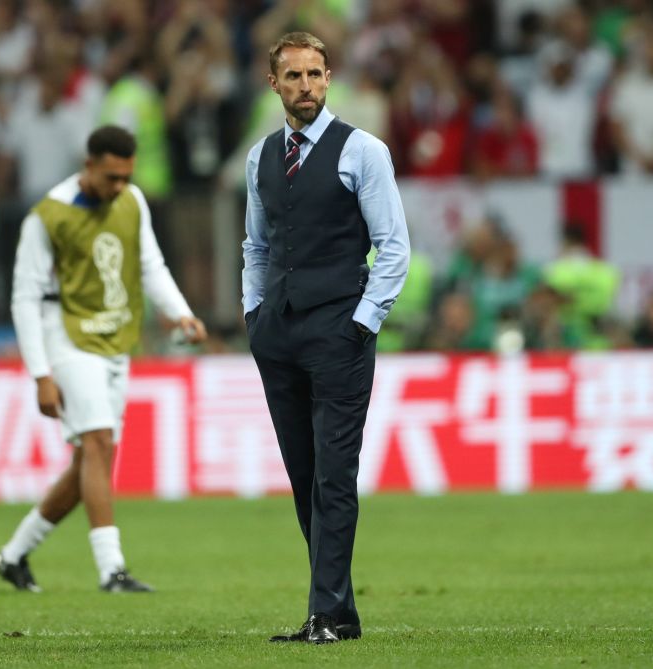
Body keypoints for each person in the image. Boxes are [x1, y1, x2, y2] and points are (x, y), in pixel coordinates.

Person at [241, 32, 409, 644]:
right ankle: (336, 611)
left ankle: (327, 611)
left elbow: (394, 247)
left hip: (339, 330)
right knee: (304, 475)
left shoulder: (363, 151)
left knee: (333, 476)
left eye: (315, 75)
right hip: (279, 332)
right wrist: (253, 315)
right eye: (293, 77)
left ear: (329, 77)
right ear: (274, 84)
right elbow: (255, 246)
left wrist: (363, 322)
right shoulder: (260, 158)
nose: (305, 86)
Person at [0, 125, 207, 592]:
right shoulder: (47, 217)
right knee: (97, 443)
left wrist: (181, 313)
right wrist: (40, 374)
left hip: (114, 338)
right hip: (66, 336)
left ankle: (13, 555)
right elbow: (24, 298)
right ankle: (112, 569)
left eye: (125, 177)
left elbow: (151, 264)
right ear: (88, 166)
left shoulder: (131, 201)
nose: (118, 187)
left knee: (89, 460)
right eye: (110, 177)